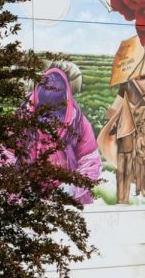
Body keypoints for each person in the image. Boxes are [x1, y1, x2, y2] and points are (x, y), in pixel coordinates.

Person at [23, 66, 101, 204]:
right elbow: (5, 158)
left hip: (70, 201)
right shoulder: (23, 119)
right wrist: (21, 188)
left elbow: (91, 162)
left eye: (56, 113)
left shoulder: (78, 122)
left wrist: (72, 188)